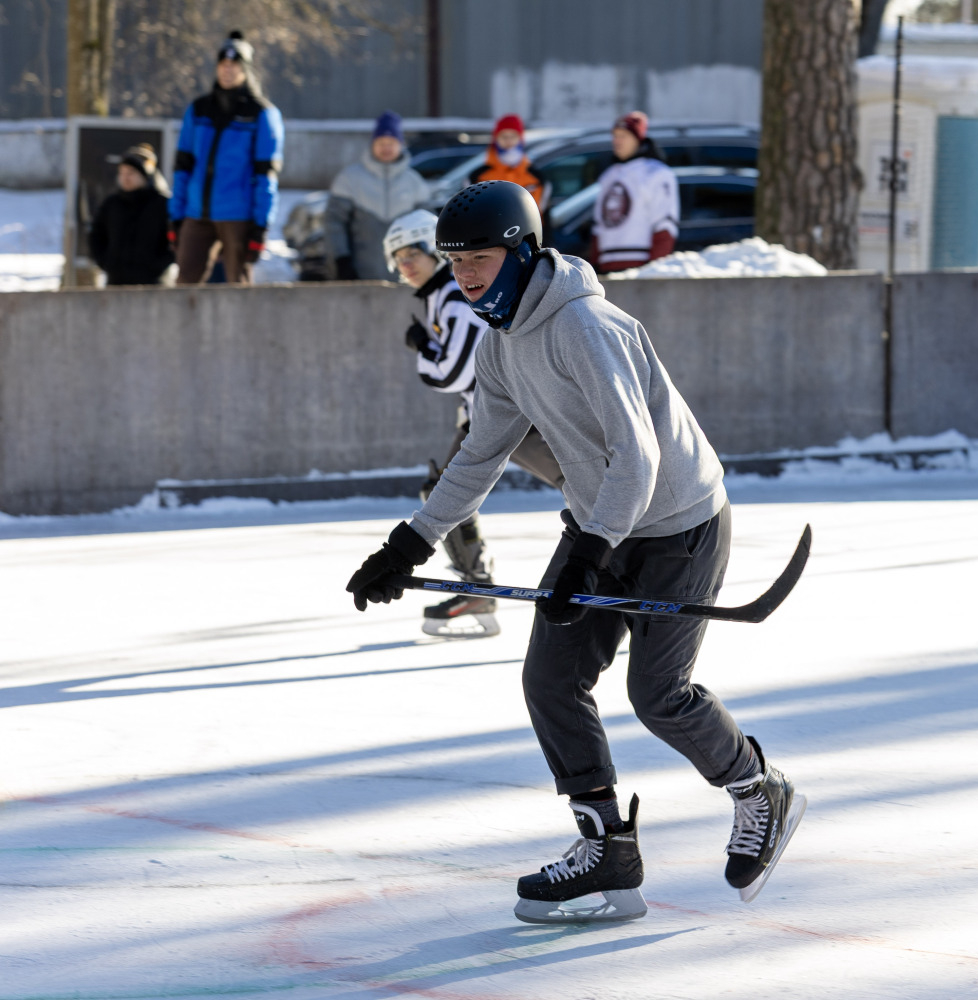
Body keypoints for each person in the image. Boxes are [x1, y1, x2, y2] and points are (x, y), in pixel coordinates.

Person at [346, 181, 805, 923]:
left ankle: (761, 790)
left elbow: (639, 454)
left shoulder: (584, 324)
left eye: (480, 260)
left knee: (659, 695)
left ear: (522, 253)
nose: (463, 276)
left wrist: (591, 553)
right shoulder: (500, 343)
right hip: (599, 523)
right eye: (454, 261)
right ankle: (607, 853)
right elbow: (478, 456)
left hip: (678, 522)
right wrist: (409, 543)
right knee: (551, 681)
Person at [381, 208, 565, 637]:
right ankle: (478, 589)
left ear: (435, 249)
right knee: (443, 491)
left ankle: (632, 579)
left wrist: (426, 351)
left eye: (412, 252)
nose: (405, 265)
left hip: (515, 413)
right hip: (490, 412)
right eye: (397, 258)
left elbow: (454, 372)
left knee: (589, 488)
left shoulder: (453, 293)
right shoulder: (442, 293)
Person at [169, 30, 284, 285]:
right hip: (196, 212)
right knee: (184, 283)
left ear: (246, 70)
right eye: (223, 64)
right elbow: (183, 165)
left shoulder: (262, 114)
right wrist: (176, 214)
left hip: (237, 214)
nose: (227, 70)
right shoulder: (199, 110)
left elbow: (266, 174)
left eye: (234, 65)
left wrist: (260, 225)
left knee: (237, 288)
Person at [325, 111, 430, 281]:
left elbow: (427, 229)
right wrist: (340, 260)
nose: (386, 148)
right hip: (359, 277)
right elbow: (334, 224)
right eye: (381, 142)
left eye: (391, 142)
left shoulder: (415, 183)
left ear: (400, 144)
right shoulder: (349, 179)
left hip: (405, 279)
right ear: (372, 144)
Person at [589, 111, 679, 273]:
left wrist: (653, 271)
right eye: (615, 136)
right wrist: (595, 266)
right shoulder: (608, 175)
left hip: (639, 266)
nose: (617, 141)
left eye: (623, 135)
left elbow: (665, 225)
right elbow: (599, 227)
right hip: (607, 266)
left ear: (638, 138)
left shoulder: (657, 173)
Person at [89, 144, 175, 286]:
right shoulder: (111, 204)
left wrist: (158, 266)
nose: (125, 178)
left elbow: (174, 240)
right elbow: (96, 236)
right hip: (116, 282)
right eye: (122, 173)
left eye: (131, 173)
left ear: (144, 175)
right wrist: (106, 263)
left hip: (153, 284)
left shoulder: (162, 204)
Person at [468, 114, 550, 209]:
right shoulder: (477, 176)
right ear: (496, 139)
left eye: (513, 136)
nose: (508, 141)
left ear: (520, 139)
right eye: (504, 136)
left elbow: (543, 214)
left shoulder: (537, 177)